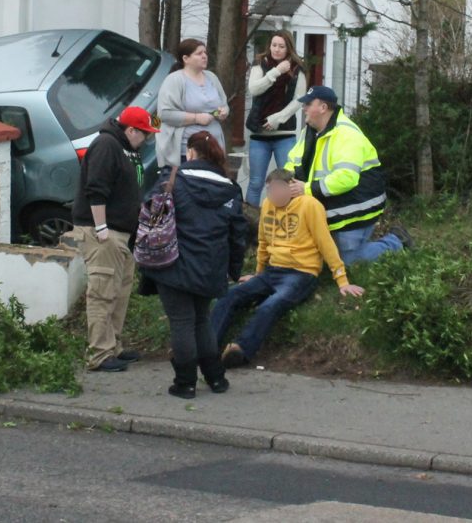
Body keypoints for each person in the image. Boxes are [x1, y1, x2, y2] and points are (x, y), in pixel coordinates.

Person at [212, 169, 363, 367]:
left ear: (291, 187)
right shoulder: (268, 205)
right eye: (269, 190)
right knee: (229, 295)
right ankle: (205, 346)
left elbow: (325, 243)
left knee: (271, 305)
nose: (273, 194)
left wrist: (342, 281)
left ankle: (240, 349)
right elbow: (263, 242)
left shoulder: (310, 206)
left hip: (302, 272)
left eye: (277, 189)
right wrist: (258, 274)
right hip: (273, 271)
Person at [142, 131, 248, 399]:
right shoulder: (230, 188)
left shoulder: (172, 180)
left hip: (173, 263)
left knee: (181, 322)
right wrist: (233, 269)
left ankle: (185, 383)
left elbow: (148, 213)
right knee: (202, 321)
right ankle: (216, 378)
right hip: (211, 267)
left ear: (190, 152)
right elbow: (238, 234)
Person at [70, 105, 158, 373]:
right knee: (102, 291)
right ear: (131, 130)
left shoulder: (127, 149)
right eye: (145, 133)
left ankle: (113, 346)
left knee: (119, 290)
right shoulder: (106, 145)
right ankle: (99, 353)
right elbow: (96, 188)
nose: (147, 139)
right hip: (103, 232)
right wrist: (101, 227)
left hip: (123, 232)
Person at [284, 86, 405, 266]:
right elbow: (293, 161)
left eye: (308, 104)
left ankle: (396, 241)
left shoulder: (347, 134)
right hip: (333, 201)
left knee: (347, 261)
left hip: (357, 205)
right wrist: (285, 180)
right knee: (321, 257)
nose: (304, 108)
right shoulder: (309, 132)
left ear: (323, 108)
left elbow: (346, 178)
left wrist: (306, 189)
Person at [245, 31, 309, 211]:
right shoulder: (260, 63)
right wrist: (276, 72)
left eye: (281, 46)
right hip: (259, 134)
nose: (277, 49)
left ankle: (290, 217)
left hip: (284, 134)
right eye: (274, 45)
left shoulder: (297, 68)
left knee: (288, 181)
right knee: (256, 181)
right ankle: (250, 219)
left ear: (288, 48)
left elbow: (299, 99)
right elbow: (254, 89)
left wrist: (278, 118)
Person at [156, 39, 229, 170]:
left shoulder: (212, 77)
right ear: (186, 58)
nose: (204, 56)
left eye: (205, 53)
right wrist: (196, 118)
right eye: (199, 53)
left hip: (214, 149)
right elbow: (164, 114)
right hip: (187, 151)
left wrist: (224, 112)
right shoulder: (174, 80)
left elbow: (224, 104)